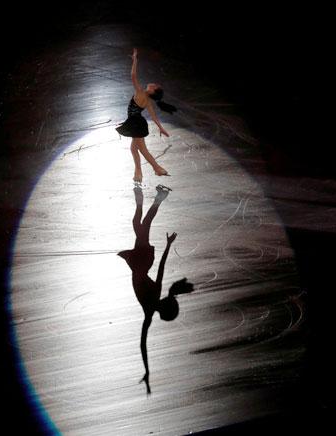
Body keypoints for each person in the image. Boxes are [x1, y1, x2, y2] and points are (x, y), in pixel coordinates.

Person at [117, 186, 193, 394]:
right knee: (140, 224)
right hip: (140, 261)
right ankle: (157, 197)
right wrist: (147, 372)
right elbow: (143, 342)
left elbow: (161, 267)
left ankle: (154, 198)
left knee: (140, 224)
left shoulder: (157, 296)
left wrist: (168, 246)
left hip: (143, 262)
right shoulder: (150, 310)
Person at [116, 48, 177, 183]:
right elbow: (154, 116)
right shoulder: (148, 101)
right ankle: (138, 172)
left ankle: (157, 168)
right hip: (137, 123)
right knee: (133, 148)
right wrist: (160, 128)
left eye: (154, 86)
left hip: (136, 123)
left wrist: (135, 60)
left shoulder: (140, 93)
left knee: (142, 149)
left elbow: (133, 76)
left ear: (152, 91)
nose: (153, 84)